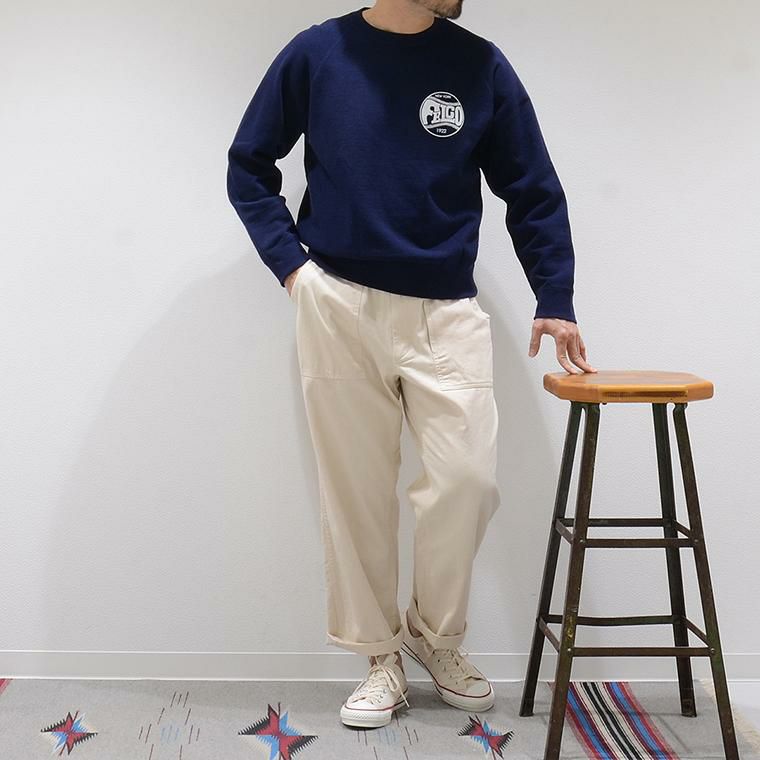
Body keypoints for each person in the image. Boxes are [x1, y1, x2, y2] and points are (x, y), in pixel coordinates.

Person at [226, 0, 597, 730]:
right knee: (357, 493)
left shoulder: (479, 65)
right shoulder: (318, 55)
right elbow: (249, 165)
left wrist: (554, 294)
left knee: (467, 481)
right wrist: (294, 269)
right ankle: (379, 656)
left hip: (446, 309)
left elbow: (530, 186)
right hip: (339, 302)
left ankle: (435, 635)